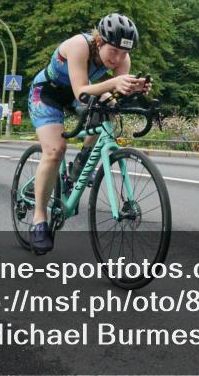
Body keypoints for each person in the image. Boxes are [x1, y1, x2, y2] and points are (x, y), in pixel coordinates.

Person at [26, 13, 151, 255]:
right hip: (48, 93)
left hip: (78, 92)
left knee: (108, 109)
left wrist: (136, 89)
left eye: (124, 53)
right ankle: (39, 219)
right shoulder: (78, 46)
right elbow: (82, 91)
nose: (118, 59)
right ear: (100, 41)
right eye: (113, 51)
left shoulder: (122, 60)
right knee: (55, 151)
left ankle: (82, 161)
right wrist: (114, 85)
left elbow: (116, 97)